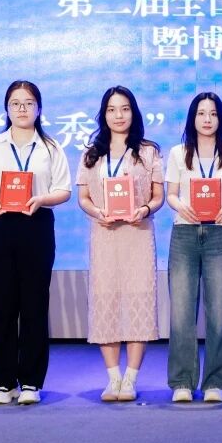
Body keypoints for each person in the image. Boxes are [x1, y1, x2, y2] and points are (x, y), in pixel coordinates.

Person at [0, 81, 73, 406]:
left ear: (39, 108)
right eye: (15, 103)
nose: (22, 108)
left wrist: (41, 199)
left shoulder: (50, 147)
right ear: (7, 108)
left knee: (34, 306)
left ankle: (30, 381)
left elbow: (64, 190)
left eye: (28, 103)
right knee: (2, 306)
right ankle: (3, 382)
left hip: (36, 225)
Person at [76, 86, 164, 402]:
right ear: (104, 114)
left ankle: (130, 379)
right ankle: (113, 378)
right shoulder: (91, 153)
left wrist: (145, 209)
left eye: (125, 108)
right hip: (105, 235)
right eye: (112, 109)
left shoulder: (149, 151)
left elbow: (158, 196)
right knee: (106, 302)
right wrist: (96, 212)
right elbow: (83, 197)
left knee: (140, 300)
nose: (119, 115)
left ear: (133, 112)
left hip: (138, 234)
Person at [164, 92, 222, 403]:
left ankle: (215, 382)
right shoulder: (178, 153)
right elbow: (171, 194)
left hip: (218, 235)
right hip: (184, 234)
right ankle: (182, 382)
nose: (207, 119)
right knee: (181, 313)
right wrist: (180, 206)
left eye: (213, 113)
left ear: (220, 118)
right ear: (193, 118)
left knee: (219, 312)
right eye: (201, 113)